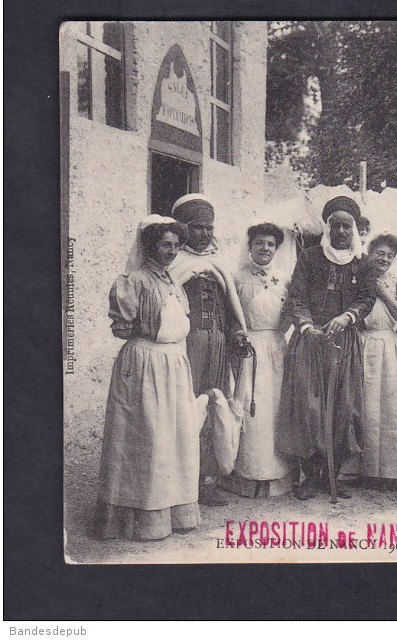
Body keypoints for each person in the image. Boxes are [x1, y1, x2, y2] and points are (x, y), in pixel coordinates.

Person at [97, 216, 207, 540]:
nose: (171, 251)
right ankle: (139, 519)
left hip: (174, 364)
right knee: (148, 439)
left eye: (175, 245)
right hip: (145, 364)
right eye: (164, 245)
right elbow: (121, 327)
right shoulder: (135, 280)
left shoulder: (172, 281)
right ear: (150, 246)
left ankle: (173, 512)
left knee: (176, 437)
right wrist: (144, 337)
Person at [276, 195, 376, 503]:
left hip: (344, 343)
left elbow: (367, 298)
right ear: (328, 227)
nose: (342, 232)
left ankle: (333, 474)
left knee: (343, 407)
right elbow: (296, 296)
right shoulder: (309, 258)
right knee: (309, 408)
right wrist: (306, 325)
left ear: (355, 229)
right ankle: (309, 475)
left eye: (347, 226)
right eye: (336, 225)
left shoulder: (363, 263)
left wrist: (347, 317)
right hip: (310, 342)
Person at [169, 194, 249, 507]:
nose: (205, 233)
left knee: (213, 407)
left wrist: (237, 334)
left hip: (216, 344)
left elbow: (231, 310)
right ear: (183, 228)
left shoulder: (219, 265)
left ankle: (204, 480)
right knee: (185, 409)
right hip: (186, 348)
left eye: (209, 228)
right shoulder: (173, 265)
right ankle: (178, 481)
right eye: (198, 227)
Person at [221, 223, 296, 498]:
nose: (265, 248)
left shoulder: (286, 279)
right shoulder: (237, 279)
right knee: (251, 409)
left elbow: (293, 311)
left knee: (276, 410)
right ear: (250, 246)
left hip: (277, 348)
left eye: (270, 244)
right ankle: (246, 476)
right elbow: (229, 317)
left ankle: (277, 477)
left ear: (276, 249)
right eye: (259, 243)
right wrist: (239, 336)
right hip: (248, 351)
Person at [358, 232, 397, 485]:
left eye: (390, 255)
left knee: (390, 407)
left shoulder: (396, 282)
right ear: (370, 254)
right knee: (365, 406)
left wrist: (383, 292)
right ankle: (359, 470)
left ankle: (389, 471)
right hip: (362, 343)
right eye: (380, 253)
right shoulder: (357, 278)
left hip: (389, 346)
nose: (385, 258)